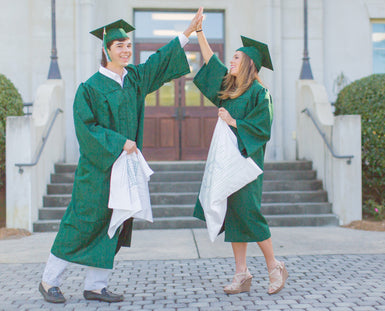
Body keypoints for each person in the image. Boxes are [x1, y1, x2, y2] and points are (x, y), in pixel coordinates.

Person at [39, 10, 203, 304]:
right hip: (97, 170)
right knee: (81, 223)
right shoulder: (89, 89)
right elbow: (86, 129)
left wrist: (187, 32)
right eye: (120, 46)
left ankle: (96, 286)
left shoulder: (135, 79)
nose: (126, 50)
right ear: (106, 50)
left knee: (113, 223)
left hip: (124, 169)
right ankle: (49, 280)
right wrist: (119, 142)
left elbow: (159, 61)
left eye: (128, 45)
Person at [193, 16, 288, 295]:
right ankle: (241, 274)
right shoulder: (230, 90)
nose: (231, 61)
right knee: (234, 215)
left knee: (249, 213)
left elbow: (262, 129)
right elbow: (211, 63)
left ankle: (274, 266)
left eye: (236, 58)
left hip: (247, 163)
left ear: (249, 63)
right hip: (226, 163)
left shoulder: (260, 93)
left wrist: (234, 122)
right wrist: (199, 32)